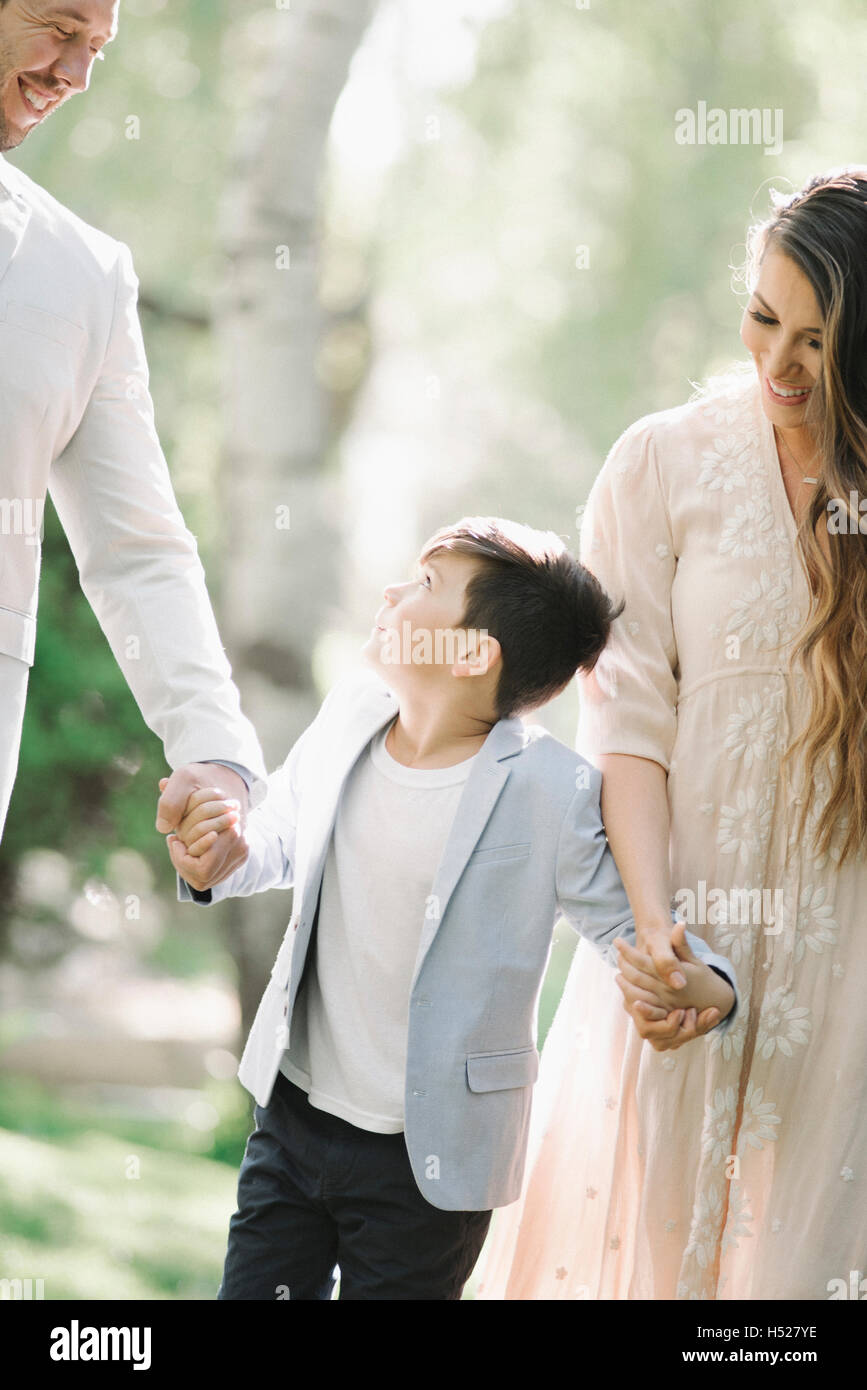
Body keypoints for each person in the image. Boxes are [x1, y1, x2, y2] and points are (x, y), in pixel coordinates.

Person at [169, 517, 738, 1300]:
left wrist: (702, 988)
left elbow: (625, 932)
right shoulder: (349, 716)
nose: (391, 591)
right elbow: (277, 840)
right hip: (294, 1121)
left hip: (430, 1167)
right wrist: (223, 858)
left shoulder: (551, 790)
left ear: (473, 654)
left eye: (426, 585)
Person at [476, 168, 867, 1301]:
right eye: (761, 317)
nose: (778, 366)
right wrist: (659, 945)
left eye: (817, 340)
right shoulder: (663, 462)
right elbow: (628, 724)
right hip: (675, 935)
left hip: (848, 962)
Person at [0, 0, 263, 868]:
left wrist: (214, 749)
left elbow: (138, 548)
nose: (74, 75)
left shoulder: (82, 276)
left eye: (98, 49)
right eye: (59, 28)